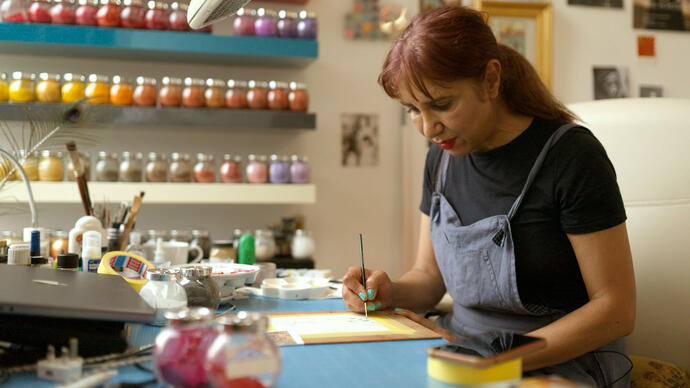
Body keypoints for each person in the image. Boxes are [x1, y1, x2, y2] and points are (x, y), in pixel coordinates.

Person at [342, 6, 636, 387]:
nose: (428, 127)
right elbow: (430, 278)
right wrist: (389, 292)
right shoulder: (442, 158)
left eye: (442, 104)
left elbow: (615, 310)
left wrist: (497, 359)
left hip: (557, 361)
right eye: (413, 109)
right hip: (462, 350)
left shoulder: (572, 157)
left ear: (491, 80)